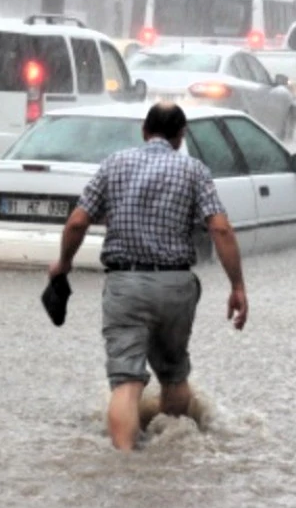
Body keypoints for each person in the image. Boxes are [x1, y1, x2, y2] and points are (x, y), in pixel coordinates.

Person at [49, 103, 248, 452]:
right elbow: (221, 229)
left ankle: (125, 464)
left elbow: (77, 222)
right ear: (181, 136)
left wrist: (63, 264)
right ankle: (171, 450)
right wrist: (237, 286)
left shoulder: (114, 164)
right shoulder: (194, 170)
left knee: (126, 382)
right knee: (174, 375)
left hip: (125, 285)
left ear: (144, 131)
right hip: (175, 286)